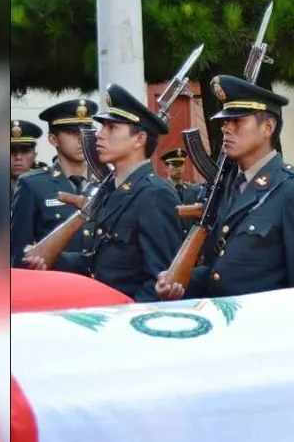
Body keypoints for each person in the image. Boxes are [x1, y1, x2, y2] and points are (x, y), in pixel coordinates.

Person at [155, 75, 294, 300]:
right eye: (225, 122)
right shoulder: (230, 187)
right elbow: (220, 271)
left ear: (268, 126)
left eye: (237, 121)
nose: (226, 129)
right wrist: (180, 282)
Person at [22, 85, 183, 303]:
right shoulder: (113, 189)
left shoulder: (154, 194)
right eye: (102, 126)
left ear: (139, 139)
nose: (99, 135)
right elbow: (100, 262)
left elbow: (160, 281)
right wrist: (54, 260)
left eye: (112, 128)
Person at [10, 101, 97, 267]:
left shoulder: (107, 182)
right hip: (55, 286)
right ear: (53, 139)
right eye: (72, 132)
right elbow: (20, 256)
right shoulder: (32, 185)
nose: (81, 138)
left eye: (87, 131)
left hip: (102, 287)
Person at [9, 119, 41, 194]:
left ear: (34, 155)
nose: (18, 157)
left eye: (25, 151)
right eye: (11, 151)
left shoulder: (47, 186)